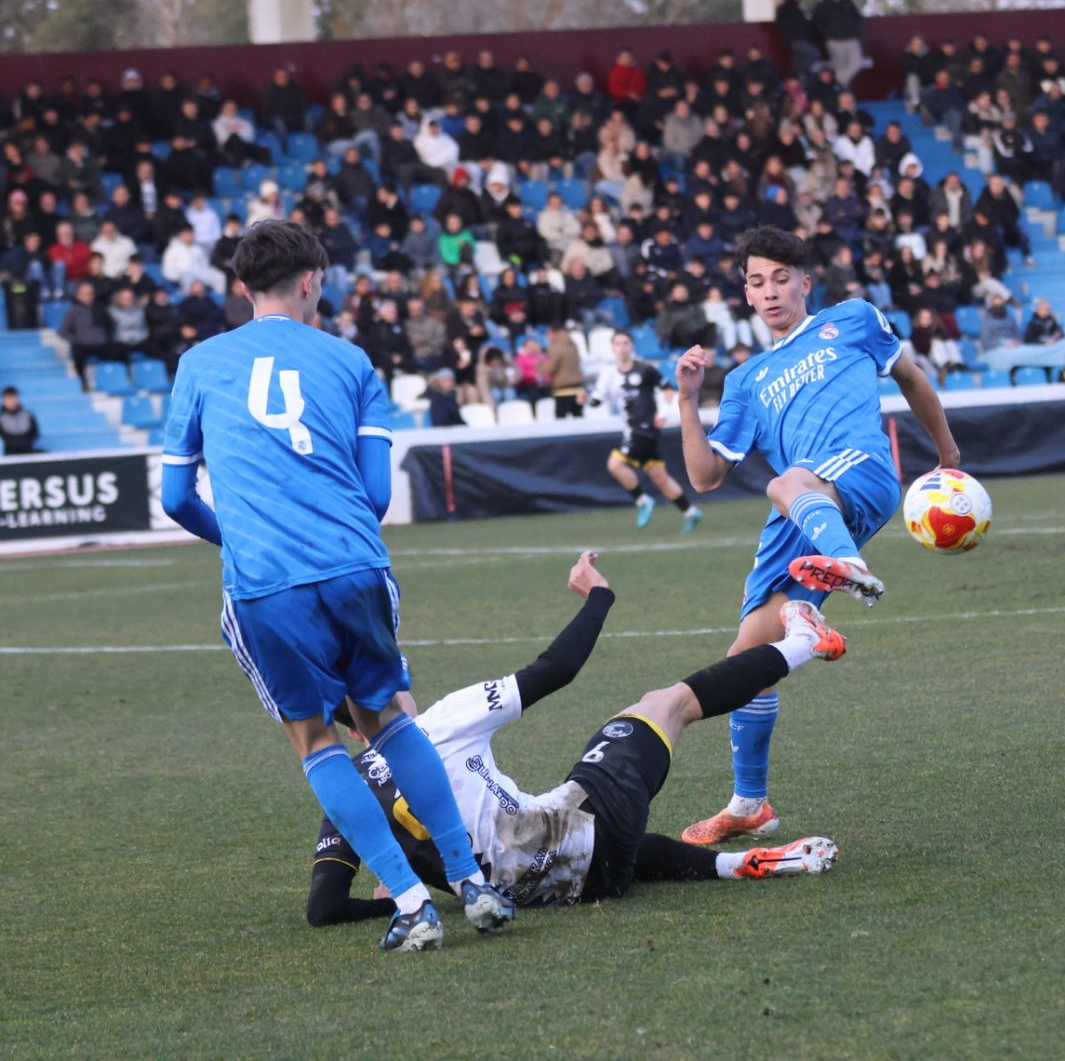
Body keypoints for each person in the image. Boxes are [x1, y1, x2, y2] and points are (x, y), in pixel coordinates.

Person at [159, 220, 514, 952]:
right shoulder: (352, 362)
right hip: (356, 566)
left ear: (241, 286)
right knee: (389, 718)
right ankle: (471, 880)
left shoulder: (198, 363)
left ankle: (412, 903)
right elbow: (377, 494)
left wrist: (244, 535)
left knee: (315, 738)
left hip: (266, 585)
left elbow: (175, 497)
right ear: (314, 280)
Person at [305, 553, 840, 928]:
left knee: (605, 835)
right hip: (579, 841)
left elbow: (323, 910)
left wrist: (408, 898)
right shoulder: (437, 724)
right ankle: (802, 641)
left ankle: (733, 866)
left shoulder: (343, 792)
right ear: (393, 690)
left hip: (565, 890)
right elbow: (555, 669)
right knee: (664, 705)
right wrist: (598, 597)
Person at [672, 226, 960, 845]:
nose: (770, 291)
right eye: (757, 282)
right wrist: (687, 401)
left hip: (859, 473)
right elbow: (704, 476)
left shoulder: (852, 320)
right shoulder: (747, 380)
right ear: (745, 295)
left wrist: (948, 456)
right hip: (801, 512)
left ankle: (845, 565)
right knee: (746, 661)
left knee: (786, 481)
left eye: (781, 278)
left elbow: (910, 379)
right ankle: (750, 803)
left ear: (806, 282)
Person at [592, 330, 703, 532]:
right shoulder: (609, 375)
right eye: (618, 344)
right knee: (659, 476)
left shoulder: (645, 370)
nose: (622, 347)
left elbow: (668, 388)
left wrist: (663, 412)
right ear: (612, 348)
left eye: (625, 343)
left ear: (632, 346)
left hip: (645, 430)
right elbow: (597, 399)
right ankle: (690, 511)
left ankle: (642, 500)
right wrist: (585, 399)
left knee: (615, 464)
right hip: (630, 431)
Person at [1, 386, 40, 455]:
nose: (11, 401)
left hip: (28, 450)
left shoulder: (28, 415)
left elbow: (35, 433)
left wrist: (24, 443)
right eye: (8, 398)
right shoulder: (1, 417)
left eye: (13, 397)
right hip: (10, 453)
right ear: (4, 400)